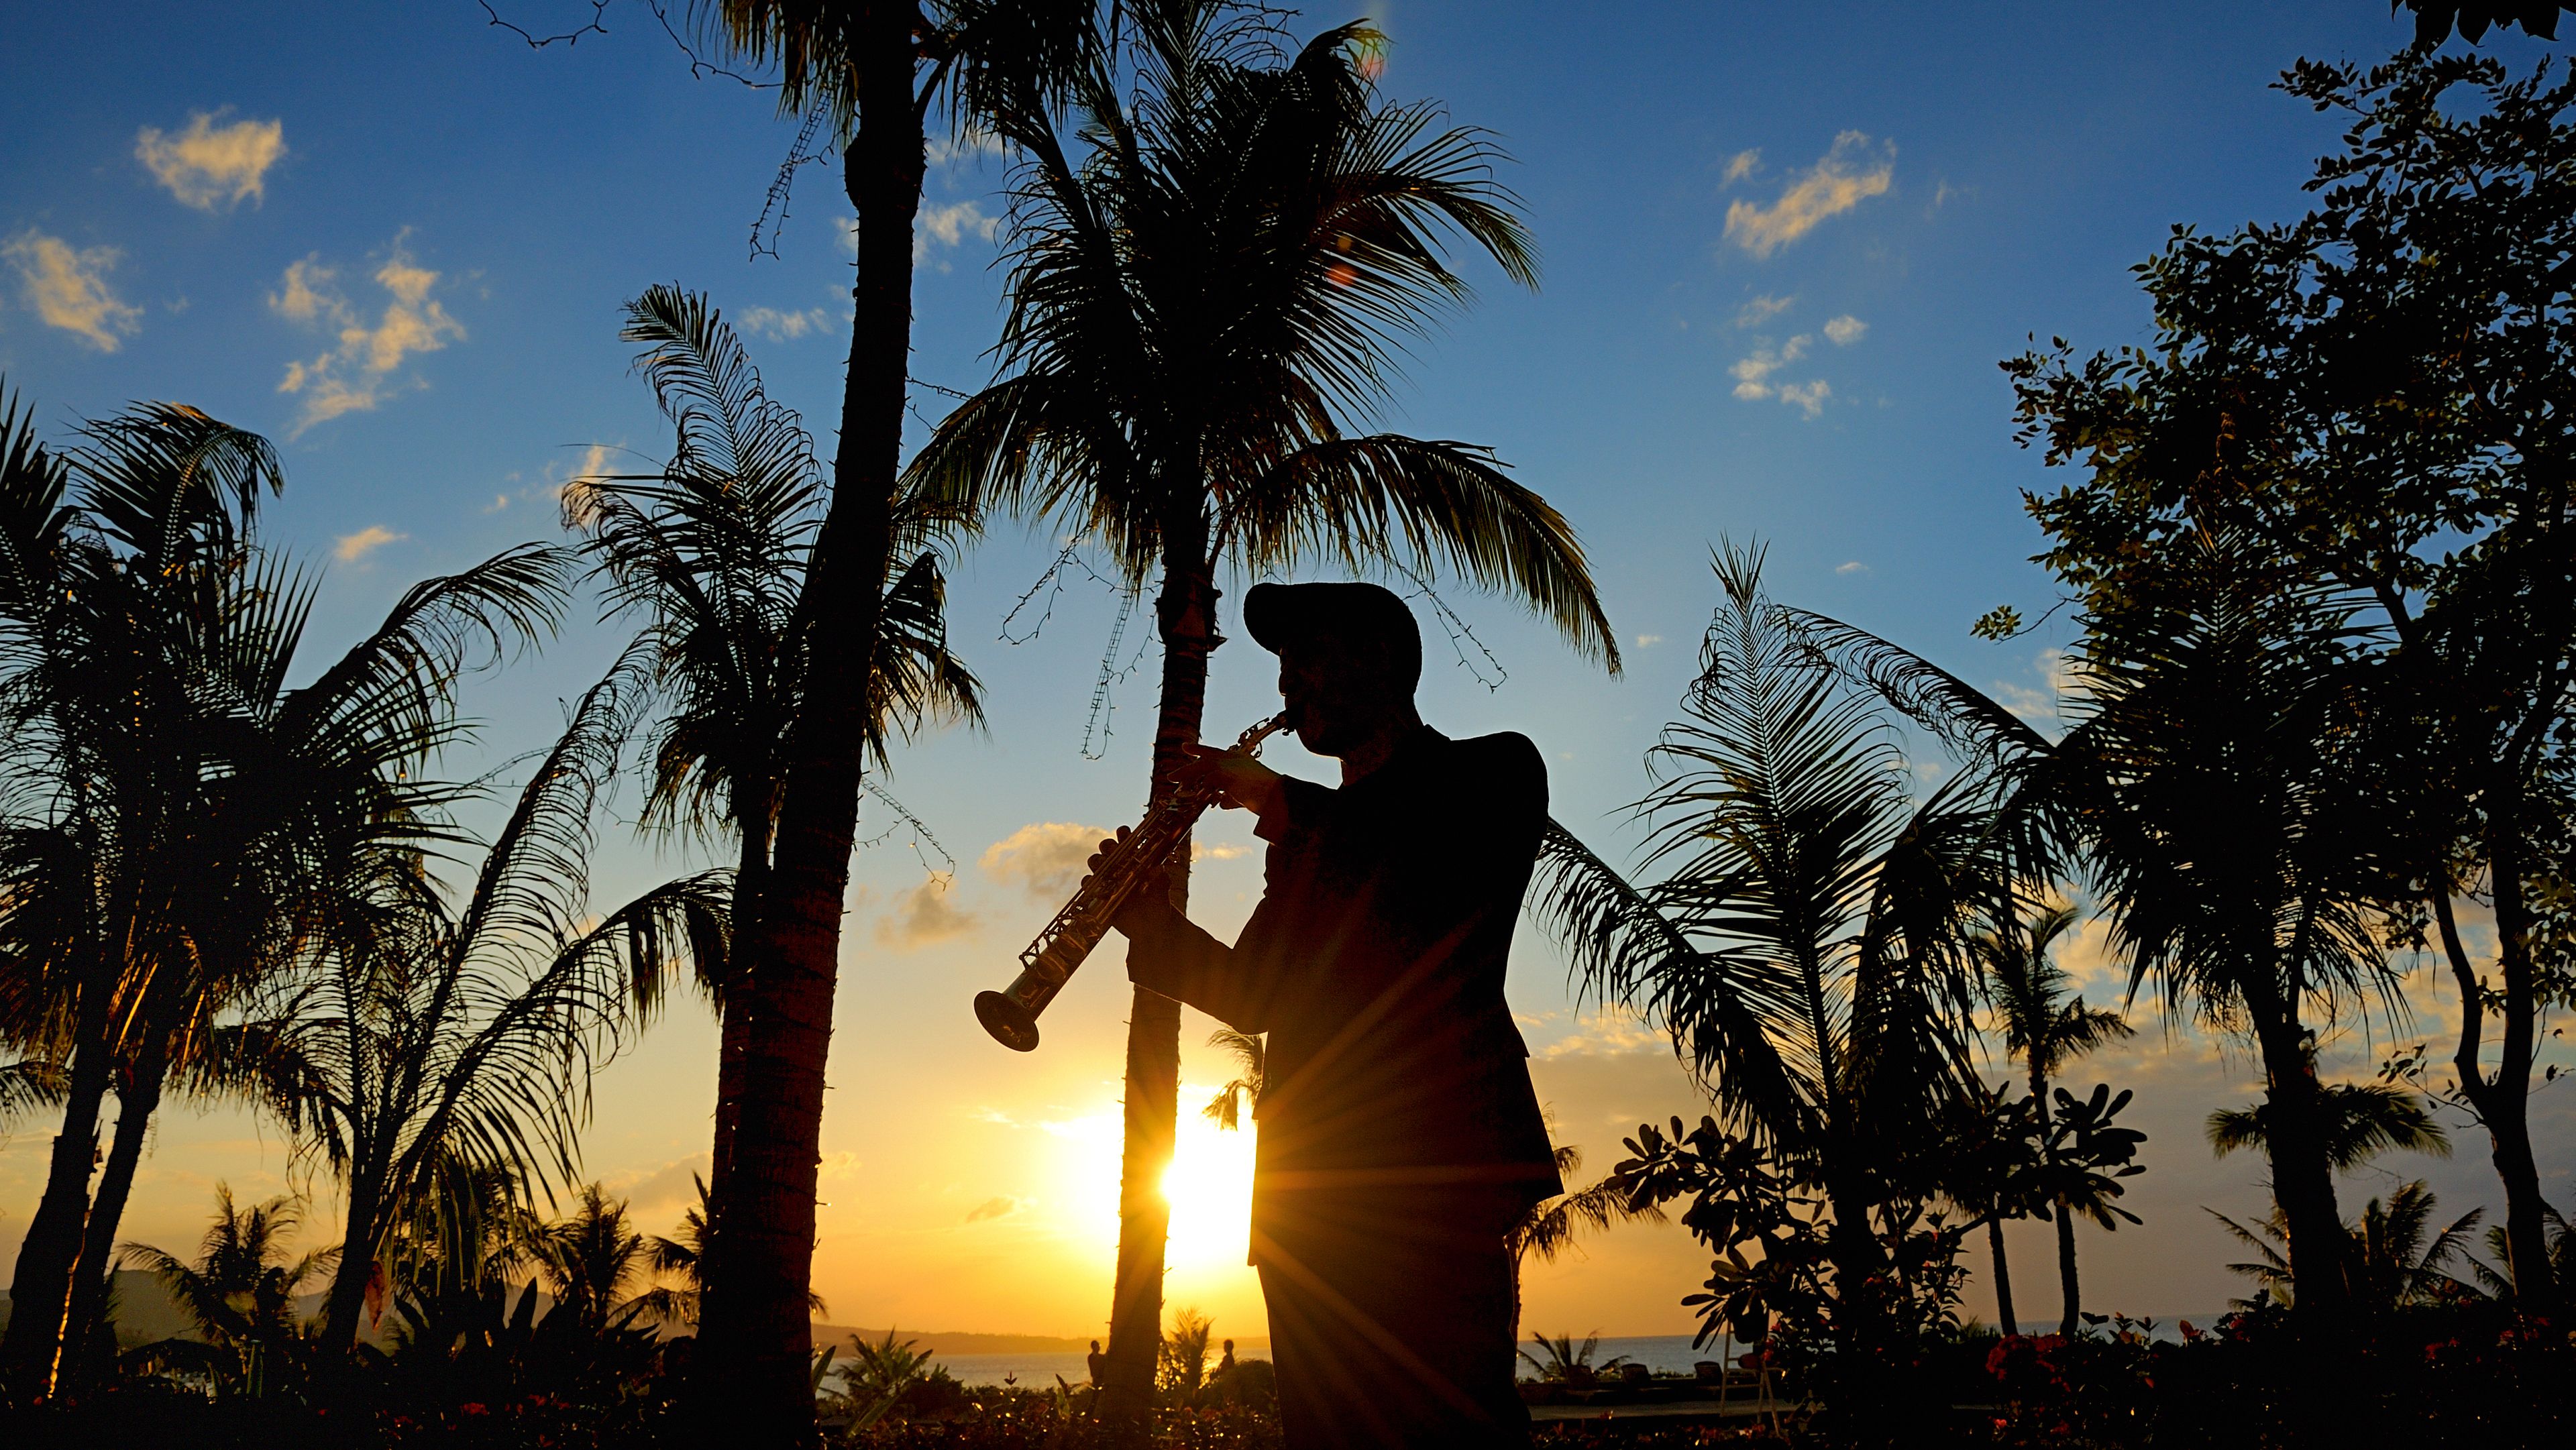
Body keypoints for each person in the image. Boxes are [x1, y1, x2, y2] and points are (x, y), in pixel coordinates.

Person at [1093, 580, 1560, 1448]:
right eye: (1280, 663)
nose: (1285, 683)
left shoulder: (1493, 771)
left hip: (1432, 1184)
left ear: (1379, 660)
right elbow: (1258, 993)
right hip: (1308, 1204)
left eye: (1306, 657)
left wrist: (1280, 800)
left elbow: (1415, 865)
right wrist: (1151, 925)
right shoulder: (1311, 839)